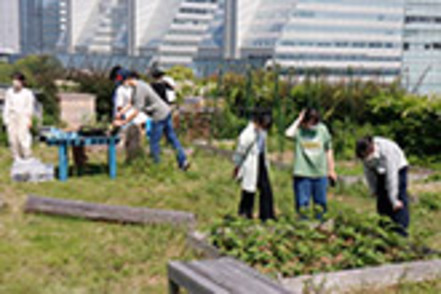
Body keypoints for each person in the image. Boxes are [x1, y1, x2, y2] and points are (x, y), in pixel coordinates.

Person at [113, 72, 190, 170]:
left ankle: (157, 166)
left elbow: (136, 111)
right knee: (171, 138)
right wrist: (120, 113)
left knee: (154, 142)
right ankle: (183, 161)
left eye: (123, 81)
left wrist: (124, 122)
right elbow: (131, 102)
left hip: (159, 115)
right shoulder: (138, 86)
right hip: (165, 111)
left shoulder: (140, 89)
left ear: (128, 79)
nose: (123, 84)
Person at [285, 108, 337, 220]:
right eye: (310, 122)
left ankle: (321, 229)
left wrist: (331, 169)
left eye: (315, 122)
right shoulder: (298, 130)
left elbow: (328, 149)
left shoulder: (322, 130)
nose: (312, 125)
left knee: (321, 204)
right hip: (302, 173)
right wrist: (299, 119)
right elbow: (288, 134)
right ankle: (303, 229)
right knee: (302, 204)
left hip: (320, 173)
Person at [356, 136, 410, 236]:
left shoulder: (387, 150)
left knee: (398, 203)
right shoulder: (364, 153)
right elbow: (368, 172)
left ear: (371, 148)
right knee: (382, 202)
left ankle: (401, 234)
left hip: (398, 169)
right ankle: (384, 233)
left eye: (366, 155)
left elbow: (392, 176)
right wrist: (373, 189)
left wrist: (394, 200)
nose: (365, 158)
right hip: (380, 171)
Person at [233, 112, 275, 221]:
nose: (264, 129)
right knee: (249, 190)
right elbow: (240, 151)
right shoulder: (247, 134)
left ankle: (267, 215)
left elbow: (263, 148)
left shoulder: (262, 132)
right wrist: (237, 166)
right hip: (249, 163)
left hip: (260, 160)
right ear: (257, 122)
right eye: (263, 126)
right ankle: (245, 213)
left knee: (266, 189)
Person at [3, 72, 35, 161]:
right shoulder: (9, 92)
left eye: (17, 80)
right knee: (13, 139)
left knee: (23, 138)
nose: (15, 82)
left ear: (22, 82)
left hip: (23, 117)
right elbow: (7, 106)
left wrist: (29, 120)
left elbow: (30, 107)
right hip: (12, 117)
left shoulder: (28, 93)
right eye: (13, 80)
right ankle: (16, 157)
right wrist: (6, 120)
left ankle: (27, 156)